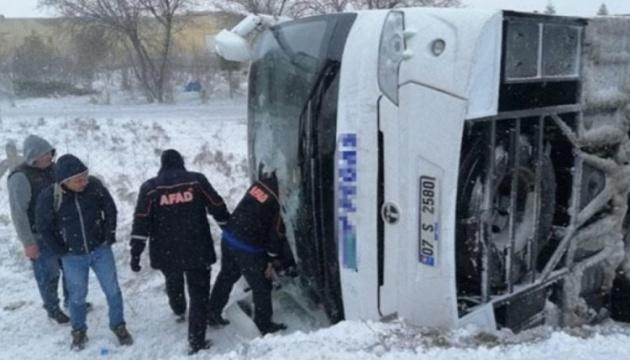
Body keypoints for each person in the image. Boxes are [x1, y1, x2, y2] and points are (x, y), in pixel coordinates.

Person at [129, 149, 230, 355]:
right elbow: (216, 205)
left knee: (173, 280)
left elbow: (141, 221)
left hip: (166, 251)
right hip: (197, 248)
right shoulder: (196, 181)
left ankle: (178, 308)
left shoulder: (150, 187)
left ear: (162, 165)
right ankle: (196, 340)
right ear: (181, 163)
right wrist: (230, 230)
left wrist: (136, 252)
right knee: (199, 295)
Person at [35, 154, 132, 351]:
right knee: (77, 296)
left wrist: (109, 234)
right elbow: (43, 226)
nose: (84, 182)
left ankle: (118, 326)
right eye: (78, 179)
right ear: (65, 181)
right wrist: (60, 250)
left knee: (113, 291)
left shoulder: (94, 186)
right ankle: (79, 331)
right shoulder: (50, 196)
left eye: (85, 176)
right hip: (72, 257)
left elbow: (110, 209)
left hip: (100, 250)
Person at [208, 167, 295, 335]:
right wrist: (271, 260)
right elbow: (276, 232)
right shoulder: (279, 198)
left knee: (227, 275)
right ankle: (263, 324)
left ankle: (212, 312)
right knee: (262, 286)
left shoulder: (260, 184)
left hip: (229, 237)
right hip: (247, 248)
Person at [7, 135, 69, 324]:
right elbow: (18, 213)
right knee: (48, 274)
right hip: (39, 236)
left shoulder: (54, 169)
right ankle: (52, 308)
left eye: (49, 153)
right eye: (43, 155)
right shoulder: (20, 177)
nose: (48, 157)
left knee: (70, 269)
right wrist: (28, 243)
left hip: (61, 231)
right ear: (33, 156)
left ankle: (72, 300)